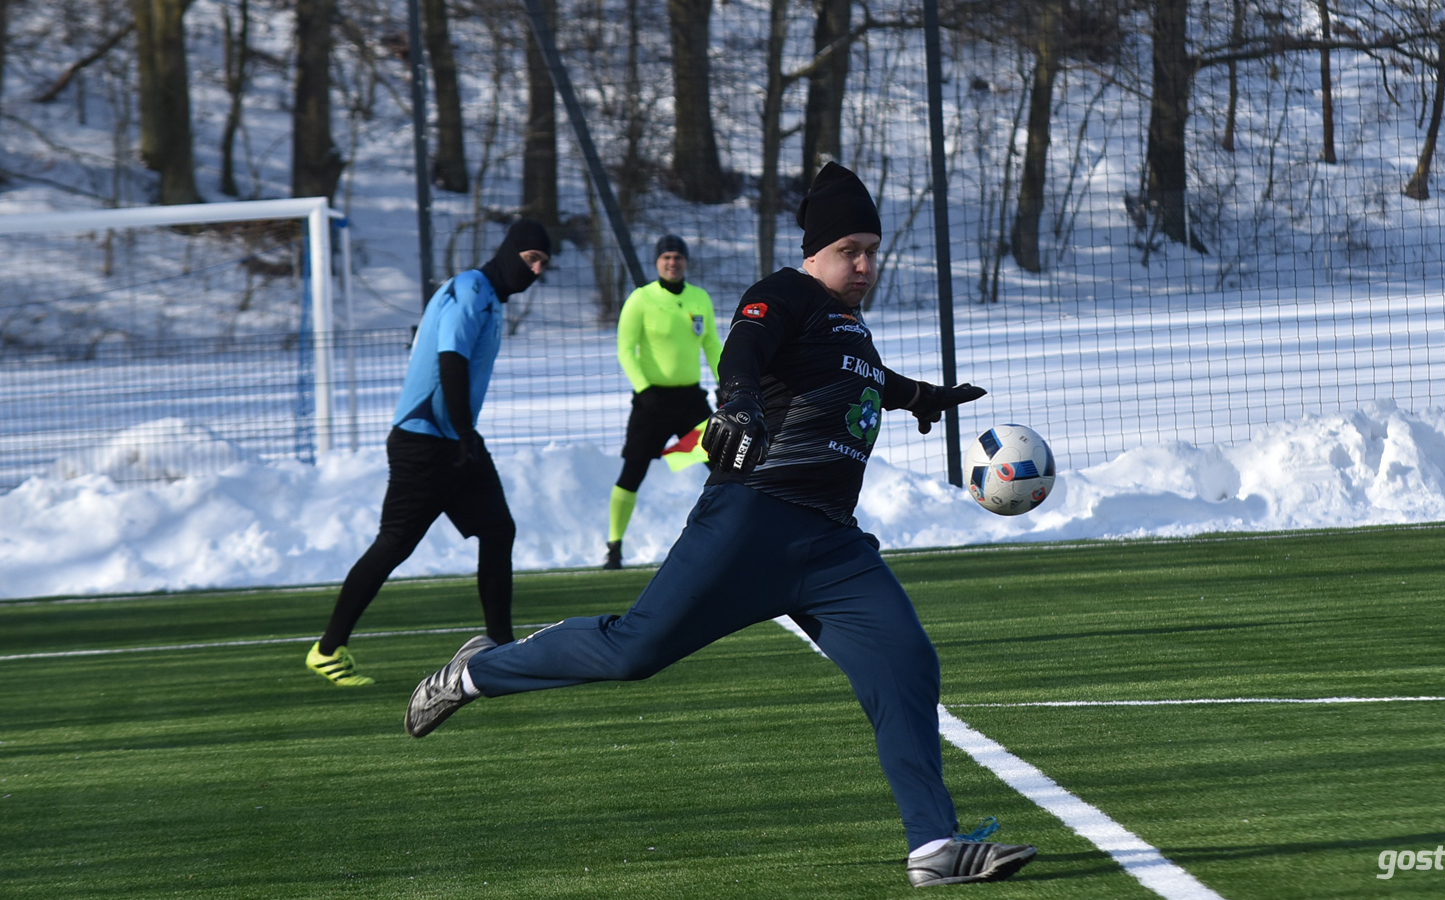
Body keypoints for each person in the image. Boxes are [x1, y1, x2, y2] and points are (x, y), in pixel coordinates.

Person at [404, 165, 1034, 887]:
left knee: (907, 662)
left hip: (832, 544)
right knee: (633, 653)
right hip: (751, 519)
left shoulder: (849, 326)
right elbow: (745, 353)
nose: (865, 264)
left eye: (872, 249)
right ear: (817, 250)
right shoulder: (784, 293)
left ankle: (934, 848)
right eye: (850, 250)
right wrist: (738, 406)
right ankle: (475, 671)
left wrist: (924, 396)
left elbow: (868, 377)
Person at [304, 220, 551, 687]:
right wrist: (462, 432)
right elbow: (450, 358)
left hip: (453, 440)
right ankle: (326, 649)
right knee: (395, 543)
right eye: (530, 259)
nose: (536, 270)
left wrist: (463, 436)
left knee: (498, 529)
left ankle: (501, 645)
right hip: (424, 442)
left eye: (543, 264)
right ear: (508, 252)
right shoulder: (469, 289)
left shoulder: (493, 301)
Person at [605, 234, 722, 570]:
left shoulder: (699, 298)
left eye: (678, 257)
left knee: (723, 467)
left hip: (691, 402)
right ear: (657, 262)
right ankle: (614, 546)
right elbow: (625, 350)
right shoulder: (641, 299)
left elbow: (712, 345)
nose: (673, 263)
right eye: (666, 257)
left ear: (686, 262)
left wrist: (728, 383)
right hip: (651, 403)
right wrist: (644, 389)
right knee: (633, 471)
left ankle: (734, 536)